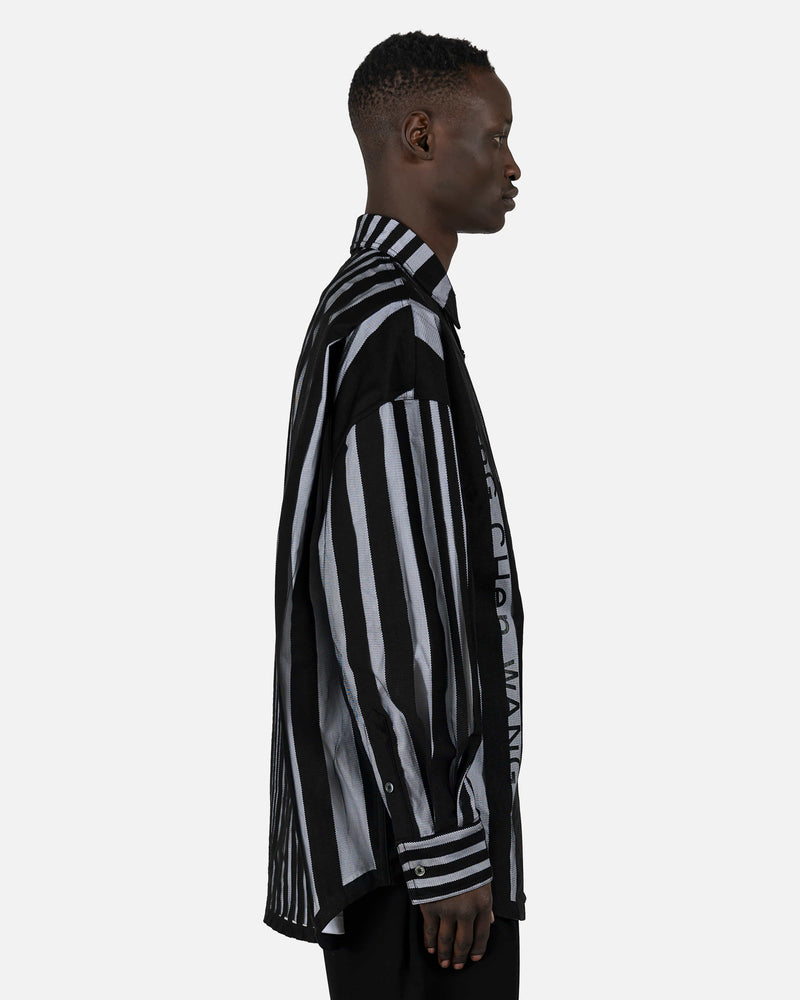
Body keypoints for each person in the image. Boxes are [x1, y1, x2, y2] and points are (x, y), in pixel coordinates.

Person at [263, 30, 526, 1000]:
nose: (512, 165)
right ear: (420, 136)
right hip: (415, 866)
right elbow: (387, 609)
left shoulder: (371, 312)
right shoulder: (392, 326)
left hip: (400, 848)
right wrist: (445, 845)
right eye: (493, 136)